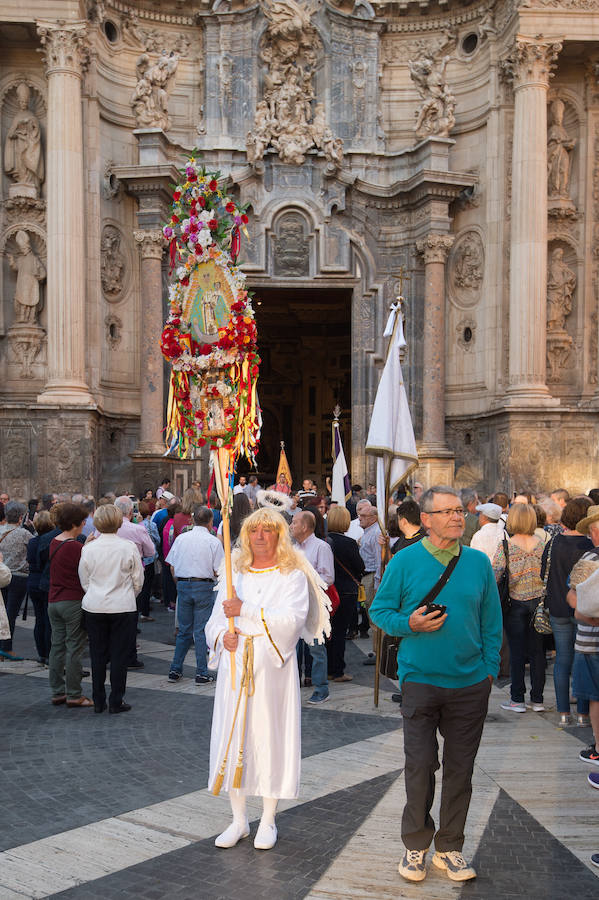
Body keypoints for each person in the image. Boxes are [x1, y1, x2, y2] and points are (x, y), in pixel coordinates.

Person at [370, 486, 502, 883]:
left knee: (461, 769)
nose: (458, 517)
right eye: (447, 512)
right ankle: (416, 844)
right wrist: (408, 623)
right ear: (425, 520)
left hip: (470, 684)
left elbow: (491, 621)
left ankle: (449, 848)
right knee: (421, 764)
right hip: (421, 680)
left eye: (460, 510)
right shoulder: (405, 561)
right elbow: (379, 611)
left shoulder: (478, 562)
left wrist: (489, 670)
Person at [205, 507, 326, 851]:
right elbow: (215, 619)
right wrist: (220, 638)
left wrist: (245, 611)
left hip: (271, 670)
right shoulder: (234, 573)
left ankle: (269, 819)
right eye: (254, 529)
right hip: (235, 666)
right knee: (234, 736)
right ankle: (239, 819)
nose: (260, 535)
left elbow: (291, 622)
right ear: (245, 534)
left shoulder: (292, 575)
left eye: (268, 530)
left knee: (269, 738)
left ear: (279, 535)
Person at [79, 504, 144, 713]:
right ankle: (116, 700)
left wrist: (96, 593)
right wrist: (127, 595)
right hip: (122, 606)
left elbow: (84, 580)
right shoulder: (128, 547)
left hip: (95, 605)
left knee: (97, 654)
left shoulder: (89, 548)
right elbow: (138, 579)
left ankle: (98, 700)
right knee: (119, 655)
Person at [542, 497, 593, 725]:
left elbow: (544, 571)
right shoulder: (591, 547)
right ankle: (583, 714)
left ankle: (564, 712)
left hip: (558, 607)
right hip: (585, 609)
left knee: (563, 659)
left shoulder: (553, 543)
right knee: (583, 660)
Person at [492, 503, 546, 713]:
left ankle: (517, 699)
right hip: (539, 604)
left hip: (515, 603)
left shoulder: (506, 546)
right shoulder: (542, 544)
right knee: (537, 652)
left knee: (516, 652)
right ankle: (538, 699)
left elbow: (494, 574)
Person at [167, 505, 224, 684]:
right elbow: (219, 570)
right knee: (200, 631)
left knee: (184, 630)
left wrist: (179, 583)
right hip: (203, 586)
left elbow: (172, 565)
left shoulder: (181, 539)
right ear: (210, 522)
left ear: (193, 520)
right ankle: (201, 672)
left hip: (184, 584)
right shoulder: (213, 541)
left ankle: (175, 669)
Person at [47, 502, 92, 707]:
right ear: (75, 523)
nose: (84, 524)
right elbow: (84, 567)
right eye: (82, 521)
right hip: (72, 600)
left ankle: (57, 691)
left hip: (54, 600)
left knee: (57, 646)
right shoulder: (75, 546)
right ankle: (74, 693)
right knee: (74, 646)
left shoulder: (54, 542)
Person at [290, 509, 334, 704]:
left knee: (316, 648)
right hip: (294, 604)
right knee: (294, 646)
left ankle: (321, 688)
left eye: (294, 523)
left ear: (305, 526)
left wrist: (305, 581)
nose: (291, 526)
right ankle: (293, 684)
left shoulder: (320, 547)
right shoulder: (293, 548)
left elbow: (328, 577)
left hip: (313, 605)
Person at [326, 505, 365, 681]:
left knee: (328, 631)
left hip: (327, 591)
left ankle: (327, 668)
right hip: (347, 591)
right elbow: (360, 566)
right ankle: (338, 671)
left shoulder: (323, 541)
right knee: (340, 631)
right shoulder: (349, 543)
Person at [0, 501, 32, 660]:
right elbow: (34, 548)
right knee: (11, 613)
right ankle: (6, 647)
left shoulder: (0, 530)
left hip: (2, 574)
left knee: (2, 612)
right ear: (20, 517)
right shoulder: (24, 534)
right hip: (19, 576)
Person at [26, 510, 54, 664]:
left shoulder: (32, 542)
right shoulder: (51, 541)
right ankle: (49, 652)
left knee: (39, 618)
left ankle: (42, 652)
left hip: (33, 581)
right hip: (45, 581)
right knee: (48, 619)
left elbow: (30, 560)